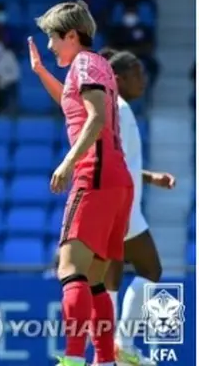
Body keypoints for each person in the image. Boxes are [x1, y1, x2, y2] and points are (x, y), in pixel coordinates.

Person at [29, 0, 133, 366]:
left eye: (53, 39)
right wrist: (42, 71)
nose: (50, 46)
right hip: (117, 180)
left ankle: (73, 359)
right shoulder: (96, 65)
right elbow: (72, 103)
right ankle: (104, 360)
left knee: (69, 269)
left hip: (95, 173)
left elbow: (96, 117)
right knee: (94, 280)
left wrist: (68, 162)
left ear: (72, 35)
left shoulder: (84, 64)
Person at [97, 49, 175, 366]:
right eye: (137, 74)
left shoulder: (107, 108)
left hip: (108, 204)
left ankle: (109, 353)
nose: (143, 81)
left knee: (112, 277)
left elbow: (117, 159)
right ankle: (123, 345)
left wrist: (149, 177)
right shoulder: (122, 110)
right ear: (119, 79)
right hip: (122, 204)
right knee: (150, 270)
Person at [108, 4, 159, 86]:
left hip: (139, 55)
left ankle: (148, 87)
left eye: (132, 12)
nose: (130, 15)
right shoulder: (117, 30)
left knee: (154, 66)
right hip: (120, 57)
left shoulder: (144, 29)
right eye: (128, 12)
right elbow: (112, 46)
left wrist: (135, 51)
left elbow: (149, 45)